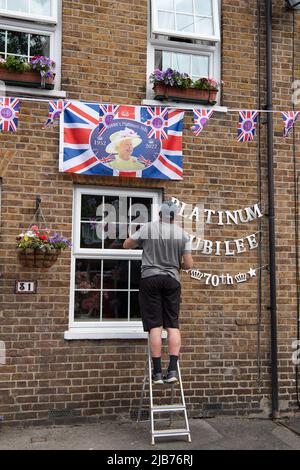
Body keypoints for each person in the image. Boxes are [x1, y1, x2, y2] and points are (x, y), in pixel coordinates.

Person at [123, 201, 193, 384]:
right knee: (172, 325)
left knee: (155, 325)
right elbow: (189, 264)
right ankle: (172, 371)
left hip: (150, 279)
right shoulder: (183, 235)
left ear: (160, 214)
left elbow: (126, 244)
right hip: (172, 280)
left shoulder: (148, 228)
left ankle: (156, 373)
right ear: (175, 216)